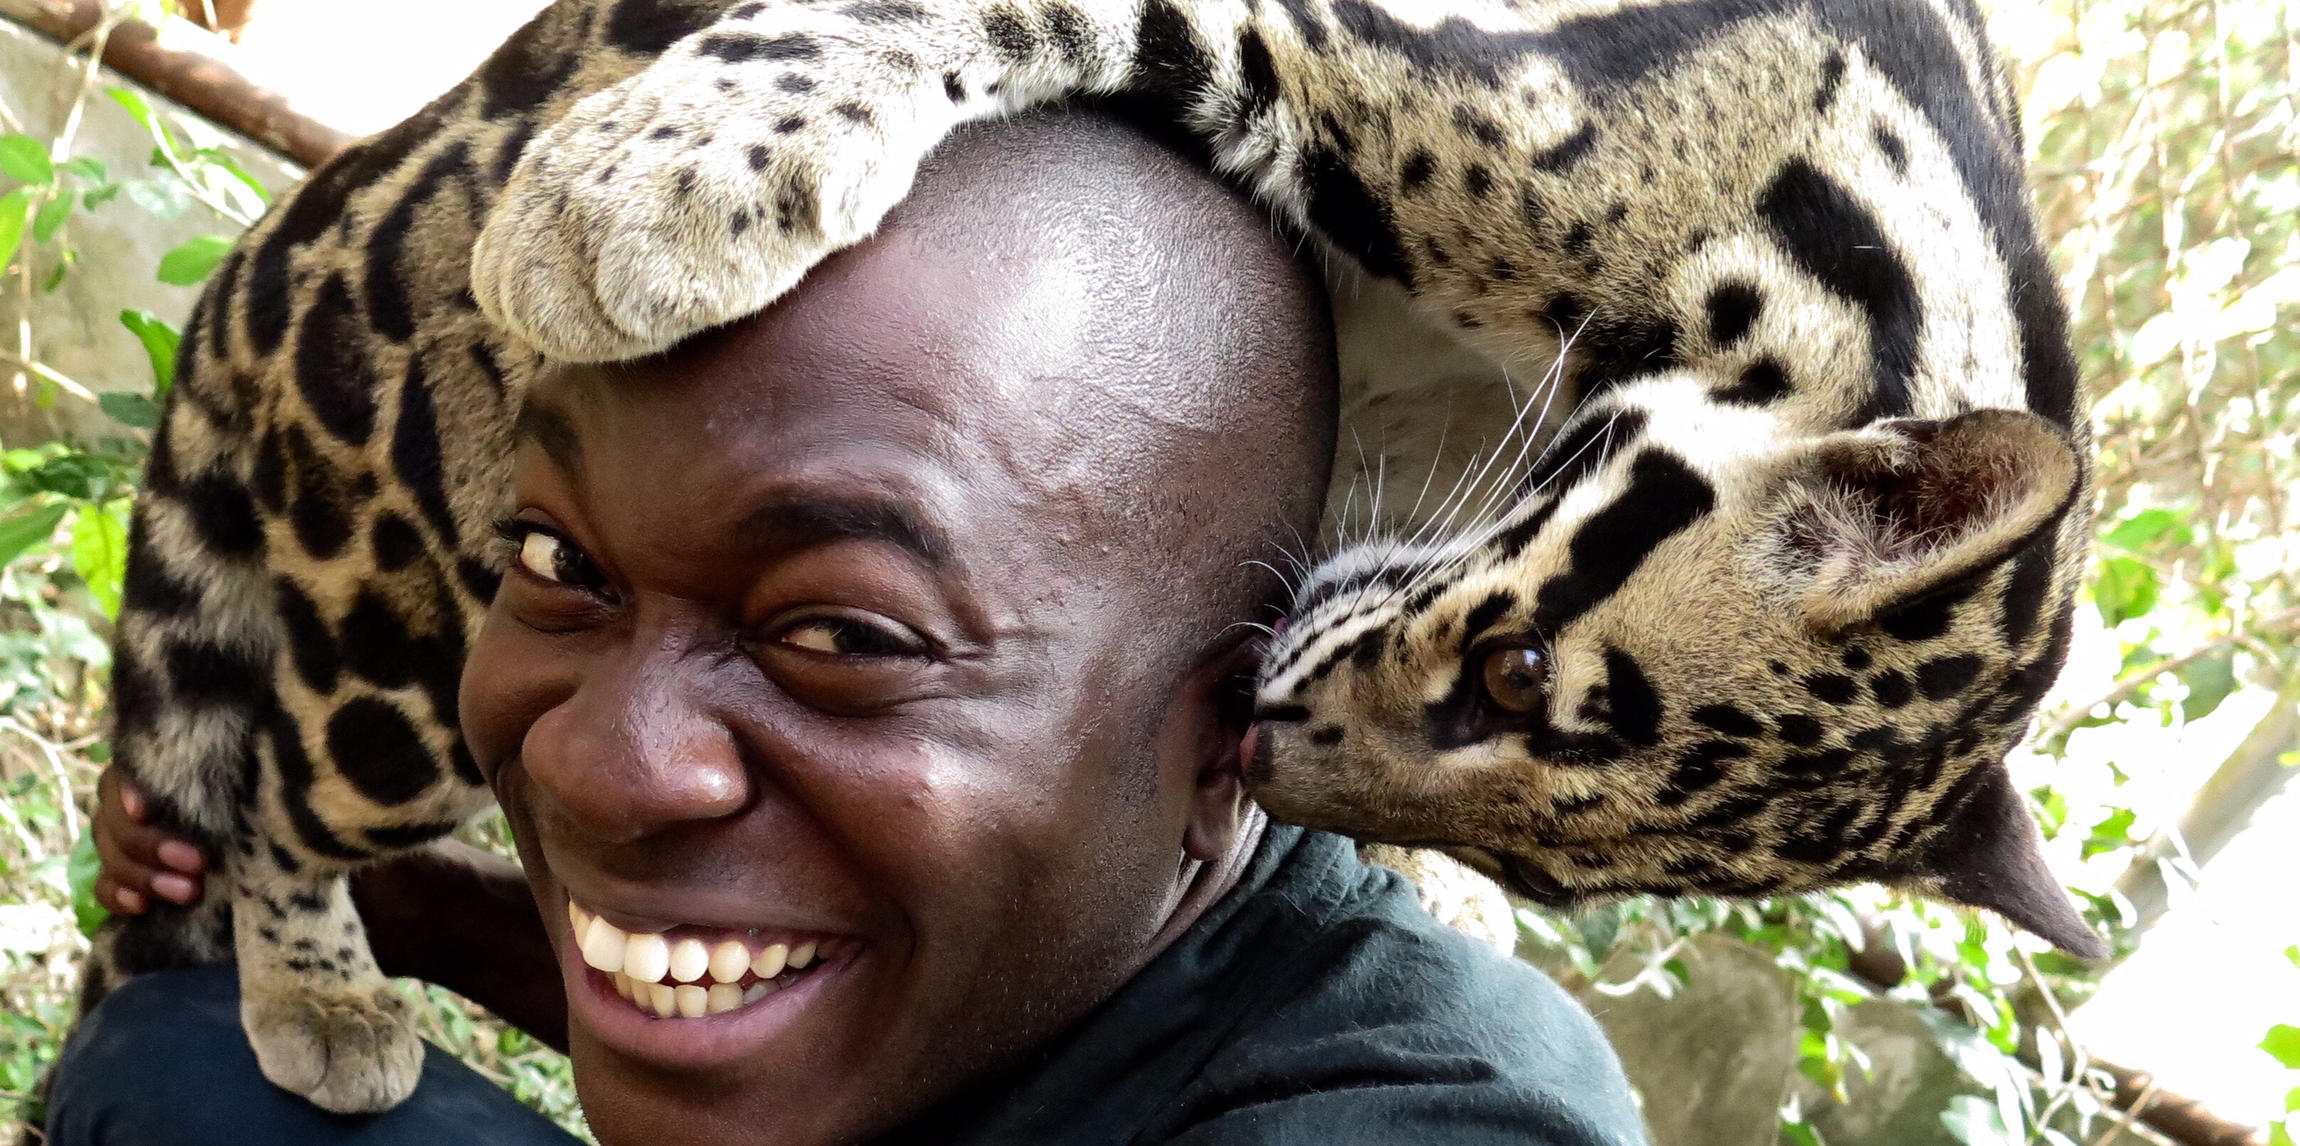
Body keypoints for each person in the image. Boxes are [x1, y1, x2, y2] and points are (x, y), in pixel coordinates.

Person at [56, 112, 1647, 1146]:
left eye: (849, 636)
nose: (606, 769)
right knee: (176, 1057)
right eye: (561, 558)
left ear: (1232, 739)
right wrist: (391, 902)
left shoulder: (1440, 1107)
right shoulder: (1051, 949)